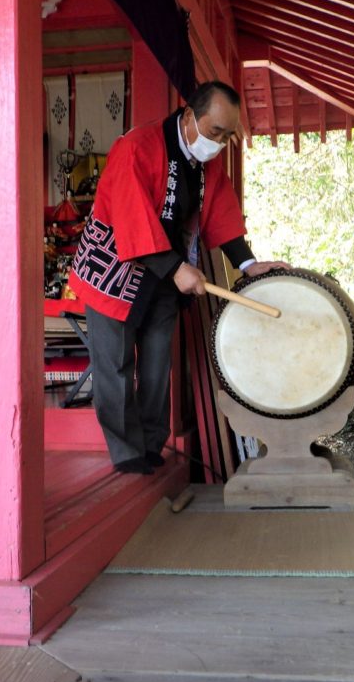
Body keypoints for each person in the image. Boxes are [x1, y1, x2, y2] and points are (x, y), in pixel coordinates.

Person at [70, 81, 288, 474]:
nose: (219, 142)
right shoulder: (137, 146)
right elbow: (131, 216)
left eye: (226, 135)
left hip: (166, 275)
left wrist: (248, 264)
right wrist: (175, 269)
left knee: (156, 362)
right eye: (215, 131)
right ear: (189, 116)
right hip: (114, 268)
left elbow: (221, 211)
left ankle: (152, 443)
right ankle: (127, 453)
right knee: (115, 364)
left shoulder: (205, 164)